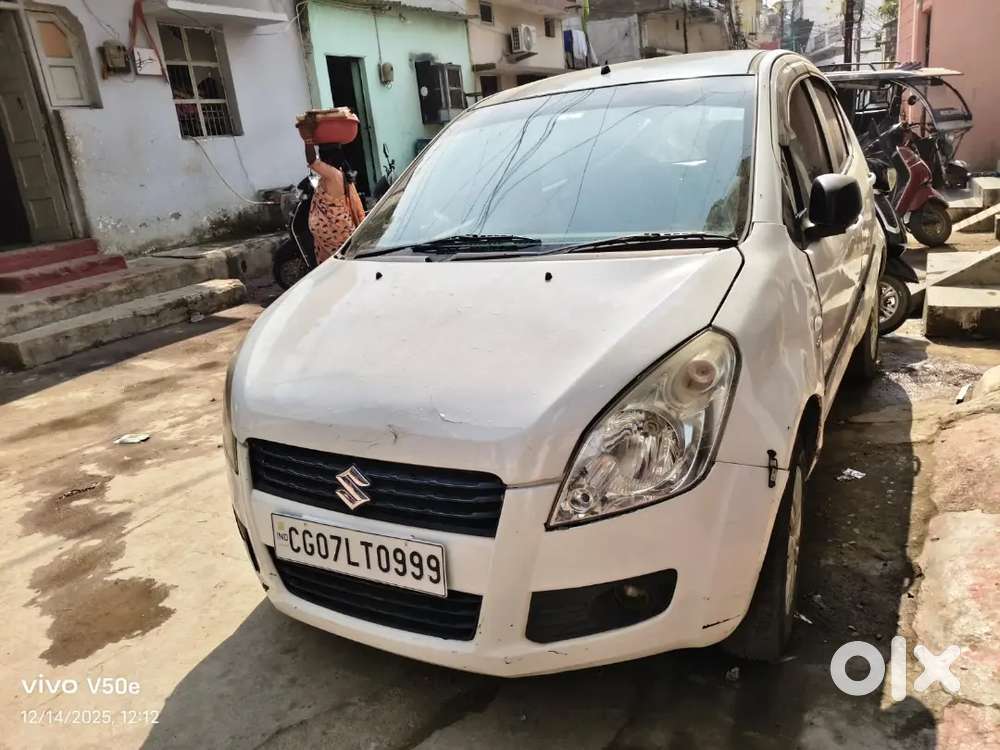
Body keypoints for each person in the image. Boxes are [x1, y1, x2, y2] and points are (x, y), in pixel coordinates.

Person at [300, 126, 366, 264]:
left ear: (327, 158)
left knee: (336, 268)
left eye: (322, 155)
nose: (320, 158)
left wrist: (308, 138)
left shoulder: (333, 175)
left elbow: (312, 160)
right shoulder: (339, 173)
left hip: (335, 233)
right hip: (338, 232)